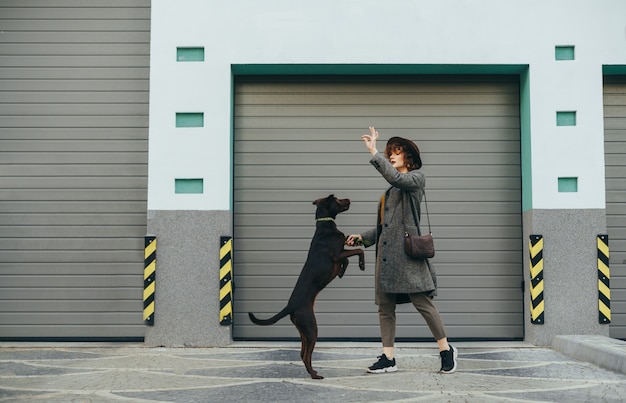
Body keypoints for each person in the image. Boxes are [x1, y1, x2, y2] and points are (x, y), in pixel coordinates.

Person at [346, 126, 457, 374]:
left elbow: (397, 178)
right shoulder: (390, 192)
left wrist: (374, 151)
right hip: (386, 260)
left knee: (423, 304)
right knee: (385, 308)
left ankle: (445, 350)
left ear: (409, 157)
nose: (391, 156)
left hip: (408, 258)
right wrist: (361, 238)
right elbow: (384, 228)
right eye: (389, 153)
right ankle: (388, 358)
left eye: (396, 152)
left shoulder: (416, 180)